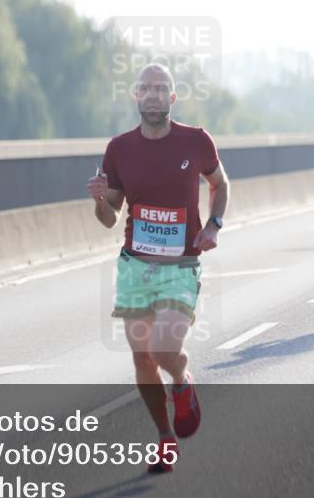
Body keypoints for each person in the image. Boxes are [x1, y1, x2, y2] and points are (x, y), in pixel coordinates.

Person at [86, 63, 229, 474]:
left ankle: (182, 382)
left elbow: (221, 183)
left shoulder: (196, 141)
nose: (152, 95)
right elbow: (110, 216)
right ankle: (166, 439)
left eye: (160, 88)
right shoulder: (119, 149)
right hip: (135, 265)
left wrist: (214, 224)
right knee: (142, 361)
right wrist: (99, 199)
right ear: (135, 96)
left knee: (164, 349)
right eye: (145, 88)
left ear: (172, 97)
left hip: (181, 264)